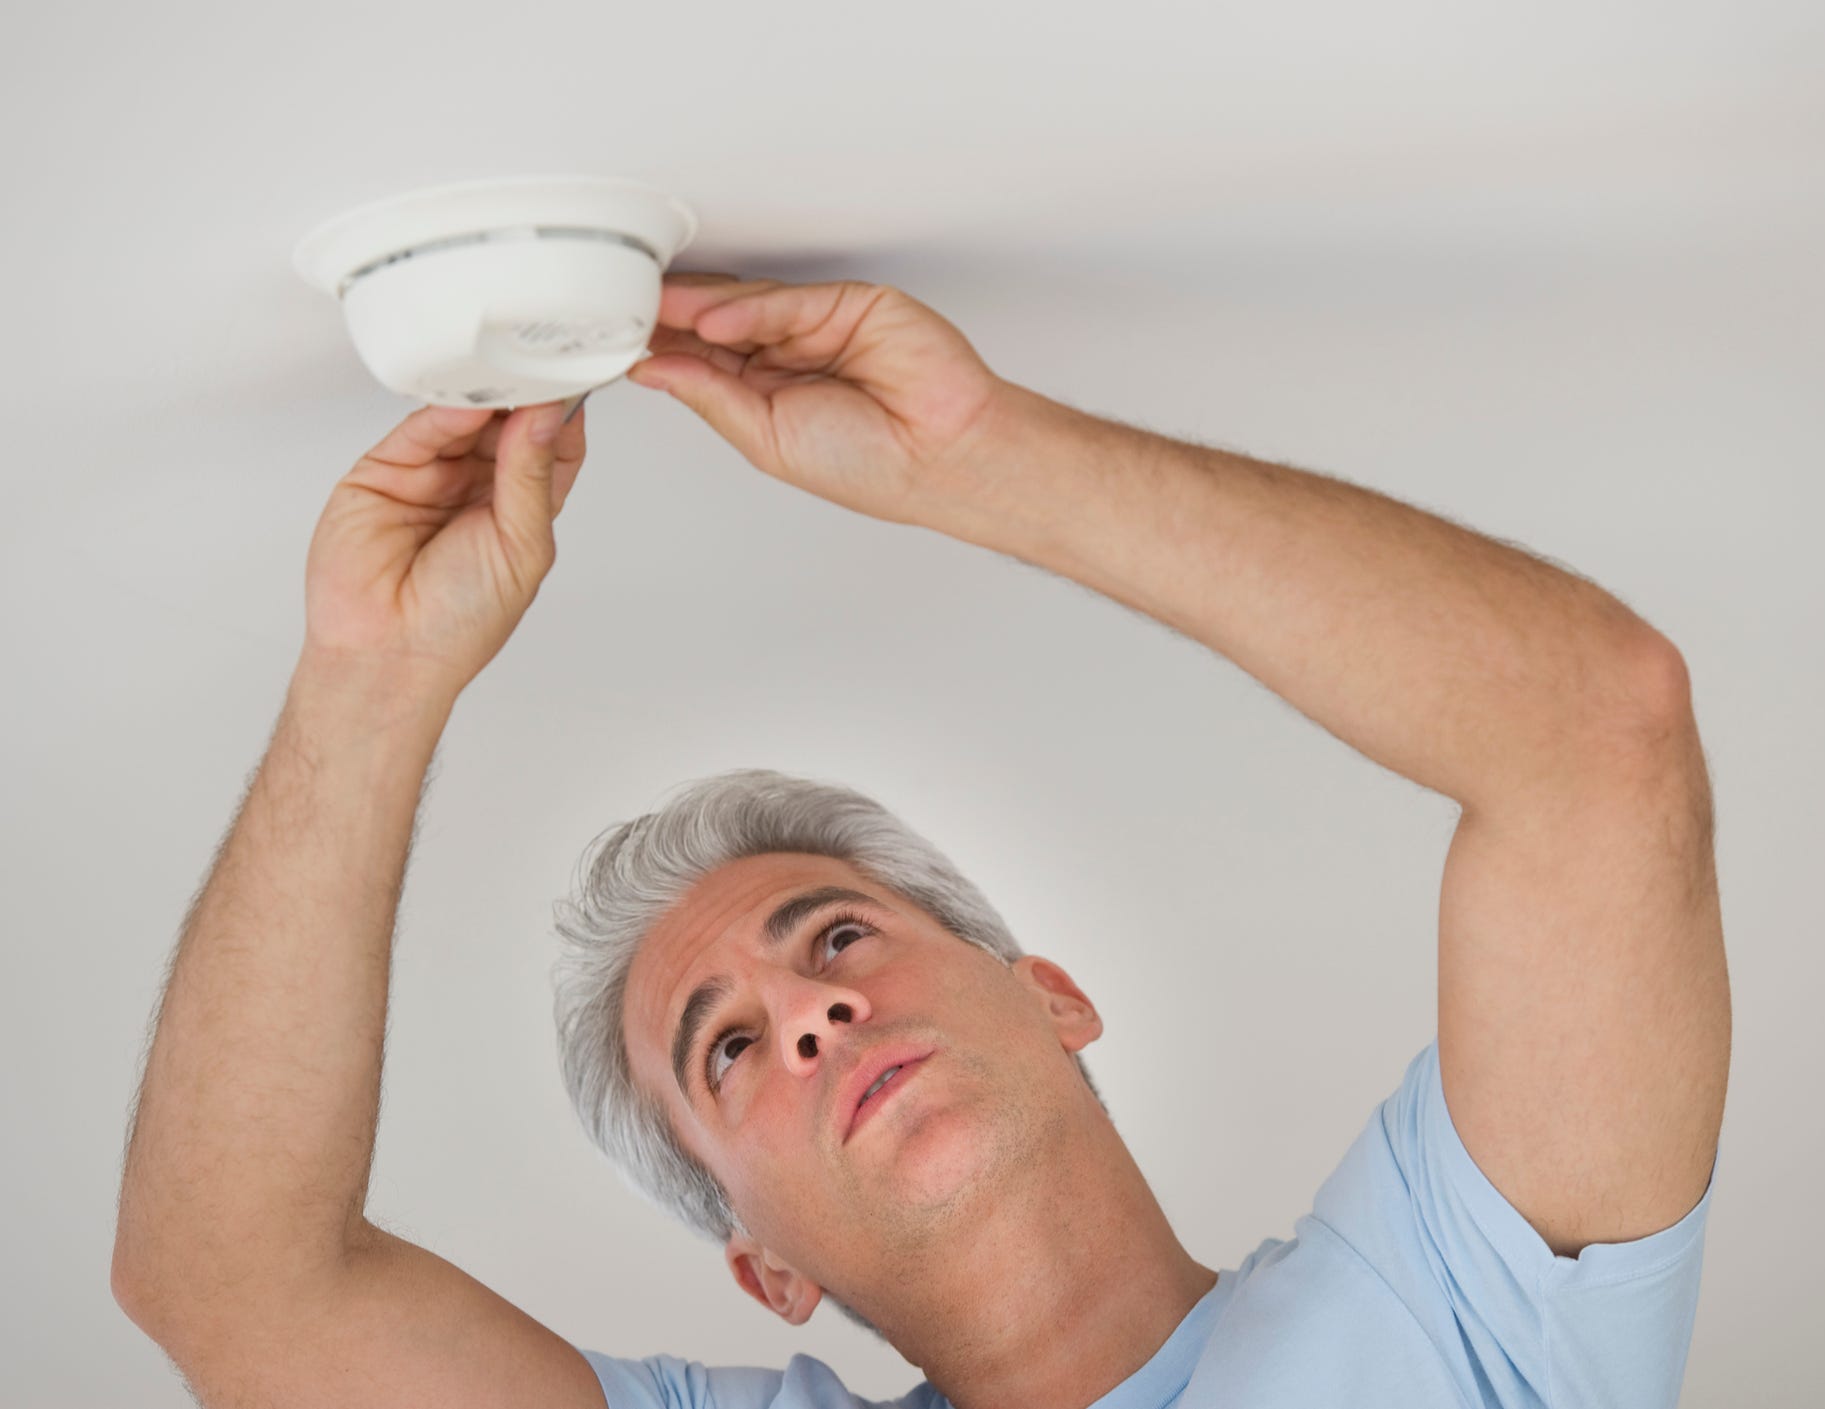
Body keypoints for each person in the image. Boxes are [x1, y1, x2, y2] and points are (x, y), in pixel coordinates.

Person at [110, 274, 1729, 1409]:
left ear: (1053, 994)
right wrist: (368, 678)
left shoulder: (1456, 1310)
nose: (811, 1012)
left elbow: (1599, 739)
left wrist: (983, 460)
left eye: (836, 936)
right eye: (728, 1046)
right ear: (766, 1268)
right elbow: (235, 1293)